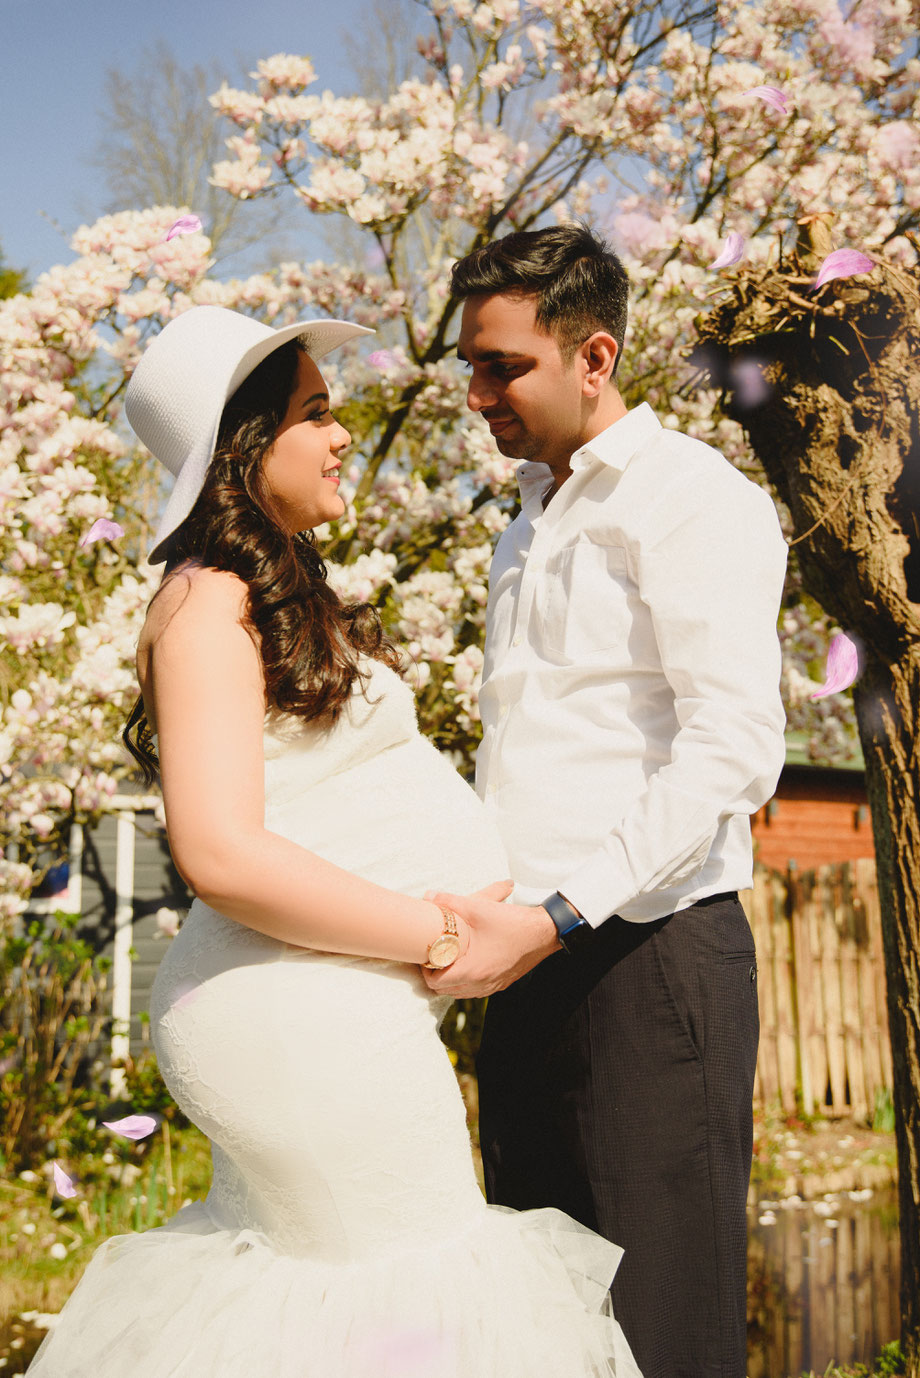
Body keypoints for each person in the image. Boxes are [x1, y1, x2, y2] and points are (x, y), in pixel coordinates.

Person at [26, 304, 642, 1378]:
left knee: (345, 1319)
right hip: (305, 1028)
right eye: (316, 412)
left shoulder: (264, 591)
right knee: (416, 1300)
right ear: (246, 447)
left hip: (326, 1012)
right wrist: (440, 931)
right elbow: (217, 850)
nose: (345, 431)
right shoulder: (210, 595)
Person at [422, 225, 789, 1378]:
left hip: (649, 964)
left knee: (659, 1333)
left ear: (593, 357)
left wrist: (560, 911)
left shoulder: (689, 498)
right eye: (470, 366)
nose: (476, 393)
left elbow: (732, 746)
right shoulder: (524, 525)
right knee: (541, 1328)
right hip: (526, 964)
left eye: (502, 366)